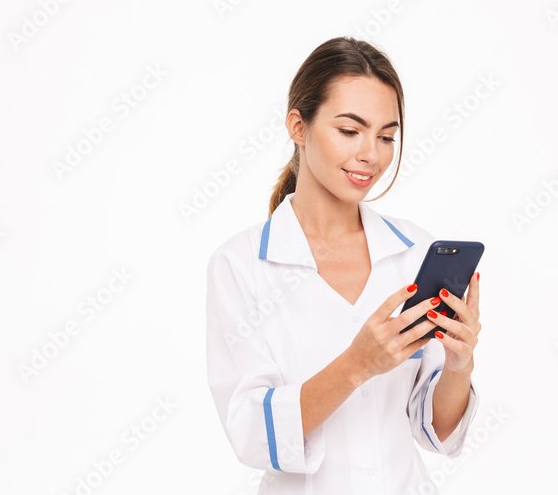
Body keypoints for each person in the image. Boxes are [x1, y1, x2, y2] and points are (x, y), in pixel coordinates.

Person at [205, 37, 482, 493]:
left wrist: (459, 364)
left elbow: (436, 430)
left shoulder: (414, 252)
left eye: (386, 136)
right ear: (298, 125)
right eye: (350, 131)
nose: (371, 155)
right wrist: (357, 365)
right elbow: (253, 435)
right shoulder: (240, 265)